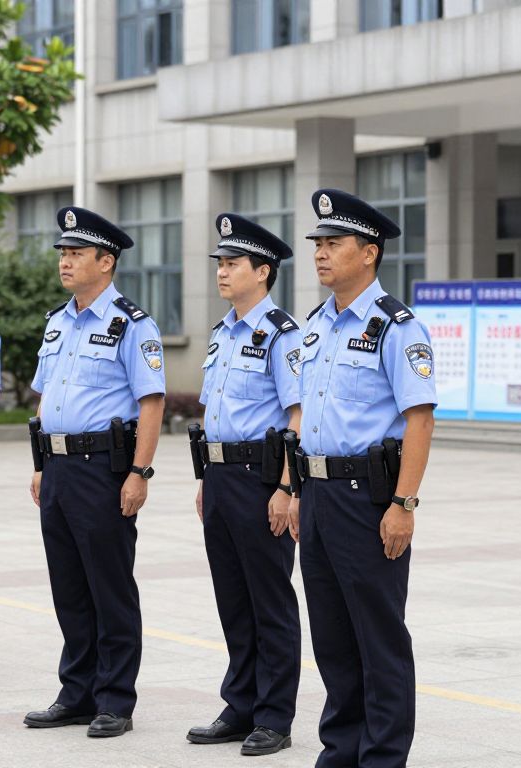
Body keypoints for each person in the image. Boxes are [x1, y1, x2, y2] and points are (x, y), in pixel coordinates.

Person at [297, 189, 436, 768]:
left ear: (370, 253)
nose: (322, 254)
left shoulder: (396, 327)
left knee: (378, 635)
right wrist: (293, 490)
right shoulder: (315, 327)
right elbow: (301, 414)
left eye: (335, 244)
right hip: (317, 493)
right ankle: (341, 749)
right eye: (319, 245)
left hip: (367, 496)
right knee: (330, 635)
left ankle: (381, 756)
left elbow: (420, 417)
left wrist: (403, 502)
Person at [24, 207, 166, 739]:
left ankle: (114, 699)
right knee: (69, 587)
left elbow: (150, 403)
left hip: (103, 470)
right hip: (59, 467)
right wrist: (41, 464)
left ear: (106, 261)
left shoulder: (131, 323)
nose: (66, 261)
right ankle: (77, 691)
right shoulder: (58, 321)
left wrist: (139, 472)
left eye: (76, 253)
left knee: (109, 586)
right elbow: (44, 400)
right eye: (63, 252)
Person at [186, 214, 302, 757]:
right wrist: (206, 475)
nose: (223, 272)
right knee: (233, 597)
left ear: (263, 271)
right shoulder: (221, 334)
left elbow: (297, 415)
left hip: (262, 479)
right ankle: (241, 704)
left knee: (269, 599)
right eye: (221, 264)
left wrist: (287, 487)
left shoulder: (282, 335)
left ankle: (274, 715)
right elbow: (214, 412)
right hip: (221, 476)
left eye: (233, 264)